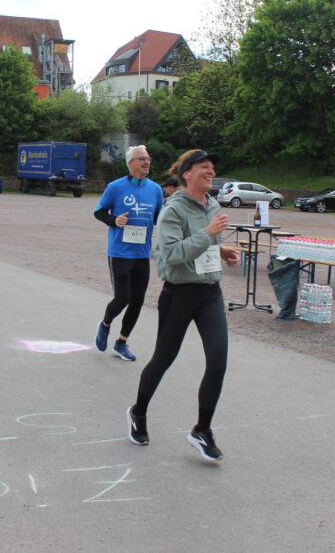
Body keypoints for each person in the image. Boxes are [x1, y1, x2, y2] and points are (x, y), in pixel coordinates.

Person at [126, 149, 240, 461]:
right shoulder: (172, 210)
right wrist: (208, 234)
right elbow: (172, 255)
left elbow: (205, 244)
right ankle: (138, 412)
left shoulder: (212, 204)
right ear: (187, 173)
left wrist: (221, 250)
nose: (211, 172)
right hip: (179, 294)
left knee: (218, 362)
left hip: (210, 293)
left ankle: (202, 430)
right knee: (163, 359)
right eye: (204, 167)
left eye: (212, 167)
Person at [93, 145, 165, 362]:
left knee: (137, 300)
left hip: (142, 254)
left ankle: (121, 343)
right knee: (123, 298)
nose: (147, 162)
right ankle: (105, 324)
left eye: (148, 158)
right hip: (120, 253)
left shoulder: (155, 190)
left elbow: (159, 219)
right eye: (142, 159)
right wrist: (114, 220)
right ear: (130, 163)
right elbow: (99, 212)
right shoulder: (115, 187)